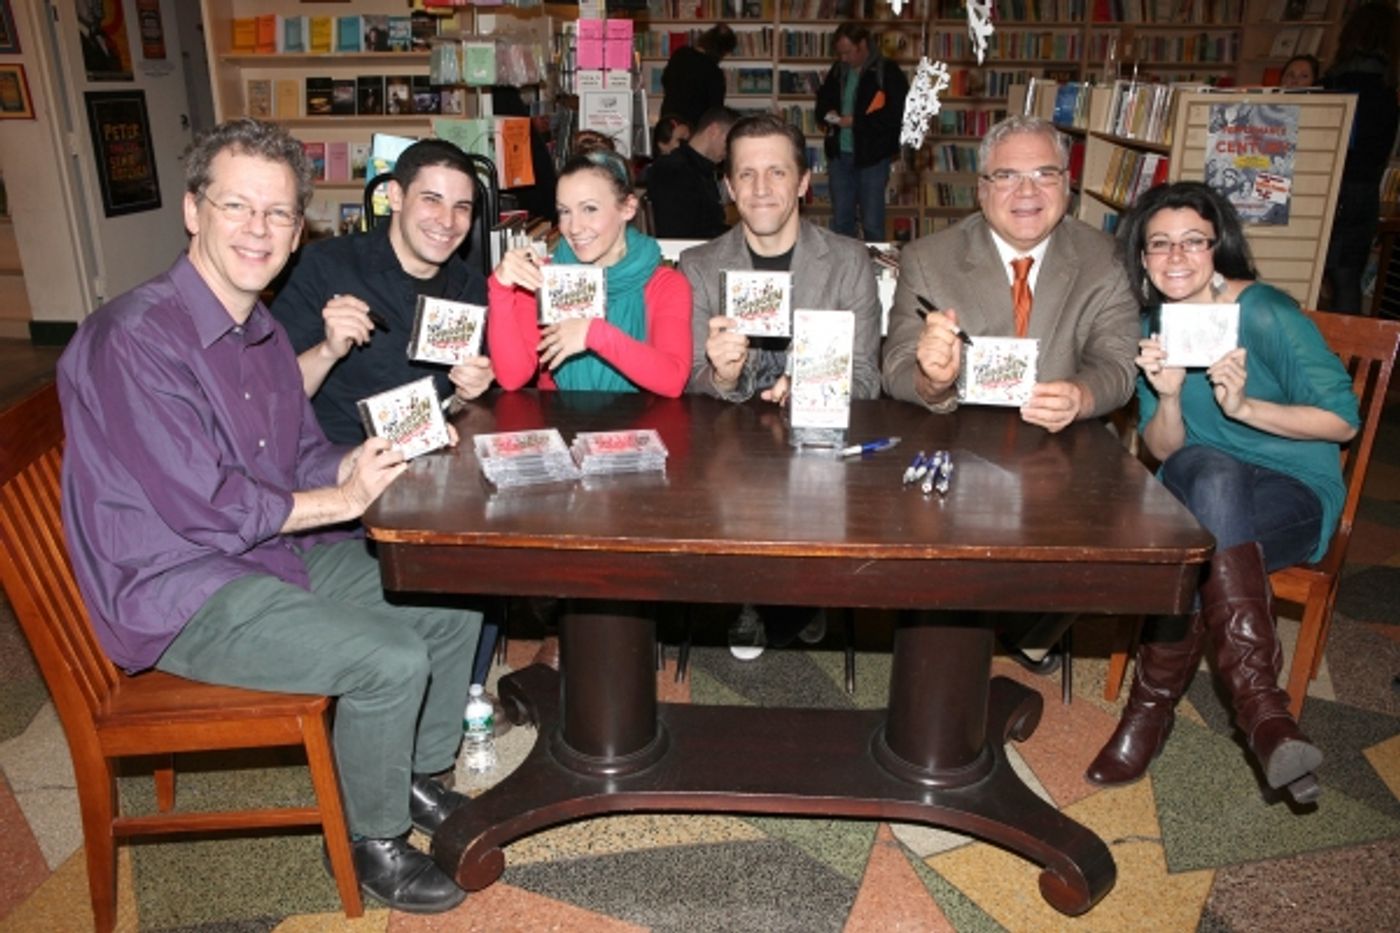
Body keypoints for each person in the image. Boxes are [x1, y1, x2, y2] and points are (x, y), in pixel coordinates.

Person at [55, 119, 481, 913]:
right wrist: (343, 499)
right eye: (238, 206)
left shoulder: (258, 329)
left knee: (451, 598)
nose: (259, 229)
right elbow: (206, 506)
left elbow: (297, 453)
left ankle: (410, 774)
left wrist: (355, 462)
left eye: (279, 213)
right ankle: (371, 837)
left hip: (262, 552)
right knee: (389, 657)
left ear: (297, 231)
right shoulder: (133, 338)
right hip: (178, 587)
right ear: (193, 210)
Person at [1087, 181, 1359, 805]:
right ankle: (1265, 713)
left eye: (1193, 241)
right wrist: (1170, 395)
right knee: (1211, 474)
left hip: (1292, 491)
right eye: (1160, 244)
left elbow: (1343, 422)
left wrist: (1244, 407)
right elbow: (1165, 450)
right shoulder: (1154, 328)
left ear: (1218, 247)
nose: (1176, 256)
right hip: (1203, 480)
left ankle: (1147, 713)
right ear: (1142, 258)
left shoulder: (1263, 312)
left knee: (1198, 542)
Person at [882, 114, 1139, 670]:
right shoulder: (928, 258)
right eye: (1007, 176)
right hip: (956, 438)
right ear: (982, 190)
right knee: (924, 524)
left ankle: (1023, 624)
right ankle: (968, 632)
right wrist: (932, 378)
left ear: (1067, 185)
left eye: (1045, 174)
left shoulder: (1106, 259)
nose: (1027, 192)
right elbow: (895, 366)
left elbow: (1118, 364)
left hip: (1062, 443)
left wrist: (1081, 395)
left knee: (1114, 520)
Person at [681, 113, 883, 657]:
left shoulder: (848, 262)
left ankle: (799, 596)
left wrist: (814, 382)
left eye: (777, 172)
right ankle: (760, 597)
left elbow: (868, 376)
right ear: (729, 186)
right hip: (731, 449)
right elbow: (687, 377)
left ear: (803, 182)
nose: (761, 188)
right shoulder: (698, 266)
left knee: (811, 488)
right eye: (746, 174)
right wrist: (721, 375)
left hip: (816, 447)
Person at [272, 138, 493, 445]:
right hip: (335, 462)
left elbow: (456, 408)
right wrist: (327, 351)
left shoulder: (473, 288)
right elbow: (270, 398)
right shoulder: (323, 267)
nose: (447, 221)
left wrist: (467, 394)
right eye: (432, 200)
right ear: (396, 196)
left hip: (432, 461)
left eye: (462, 207)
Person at [488, 146, 693, 395]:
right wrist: (500, 288)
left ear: (628, 208)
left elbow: (673, 380)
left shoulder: (665, 284)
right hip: (559, 414)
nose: (574, 227)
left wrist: (594, 334)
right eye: (565, 211)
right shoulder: (544, 278)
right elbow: (512, 378)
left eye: (590, 209)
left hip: (639, 417)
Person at [1323, 1, 1400, 314]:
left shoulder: (1338, 82)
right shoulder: (1388, 86)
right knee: (1347, 277)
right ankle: (1347, 342)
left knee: (1328, 275)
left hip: (1332, 187)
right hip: (1365, 190)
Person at [814, 23, 909, 241]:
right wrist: (828, 113)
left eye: (848, 52)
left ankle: (874, 262)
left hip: (873, 157)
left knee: (872, 223)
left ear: (863, 45)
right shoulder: (838, 71)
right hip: (840, 156)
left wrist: (857, 123)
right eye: (840, 53)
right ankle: (844, 263)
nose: (844, 58)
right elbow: (822, 101)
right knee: (841, 222)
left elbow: (897, 114)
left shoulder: (887, 71)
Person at [647, 106, 739, 240]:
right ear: (714, 131)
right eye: (729, 141)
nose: (731, 149)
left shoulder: (700, 168)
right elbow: (681, 233)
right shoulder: (674, 170)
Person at [660, 24, 737, 127]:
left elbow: (665, 80)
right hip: (694, 125)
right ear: (721, 51)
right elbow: (715, 109)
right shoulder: (714, 72)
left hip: (668, 120)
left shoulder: (680, 54)